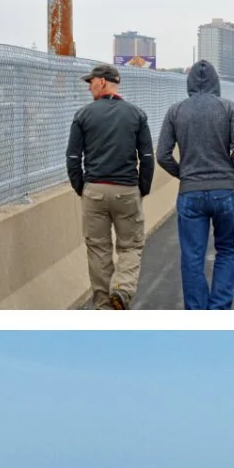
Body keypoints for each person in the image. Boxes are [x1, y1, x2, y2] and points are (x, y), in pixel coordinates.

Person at [157, 60, 234, 309]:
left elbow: (162, 155)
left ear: (188, 85)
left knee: (192, 257)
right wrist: (229, 171)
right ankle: (218, 310)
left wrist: (183, 174)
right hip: (224, 192)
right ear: (216, 83)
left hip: (190, 193)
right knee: (228, 249)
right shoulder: (228, 108)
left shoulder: (175, 111)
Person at [65, 63, 154, 309]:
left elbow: (73, 157)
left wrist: (81, 187)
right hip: (126, 190)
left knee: (98, 250)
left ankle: (104, 306)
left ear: (102, 82)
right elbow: (147, 157)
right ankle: (123, 290)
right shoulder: (136, 114)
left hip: (94, 190)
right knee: (131, 245)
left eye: (91, 82)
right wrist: (142, 188)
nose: (89, 87)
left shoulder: (83, 115)